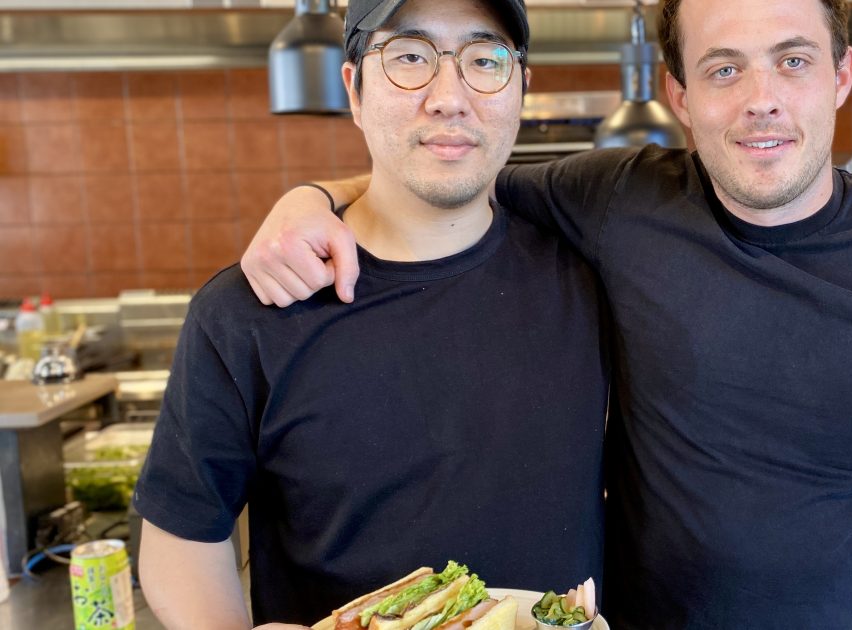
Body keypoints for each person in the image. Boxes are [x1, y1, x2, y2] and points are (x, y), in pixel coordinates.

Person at [241, 1, 852, 629]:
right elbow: (440, 178)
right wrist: (311, 197)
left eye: (794, 59)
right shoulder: (620, 199)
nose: (761, 97)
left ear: (842, 73)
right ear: (681, 92)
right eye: (724, 68)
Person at [133, 0, 611, 628]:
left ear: (520, 88)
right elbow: (182, 534)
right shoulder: (253, 308)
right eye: (409, 56)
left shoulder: (592, 279)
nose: (449, 97)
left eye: (485, 60)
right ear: (355, 89)